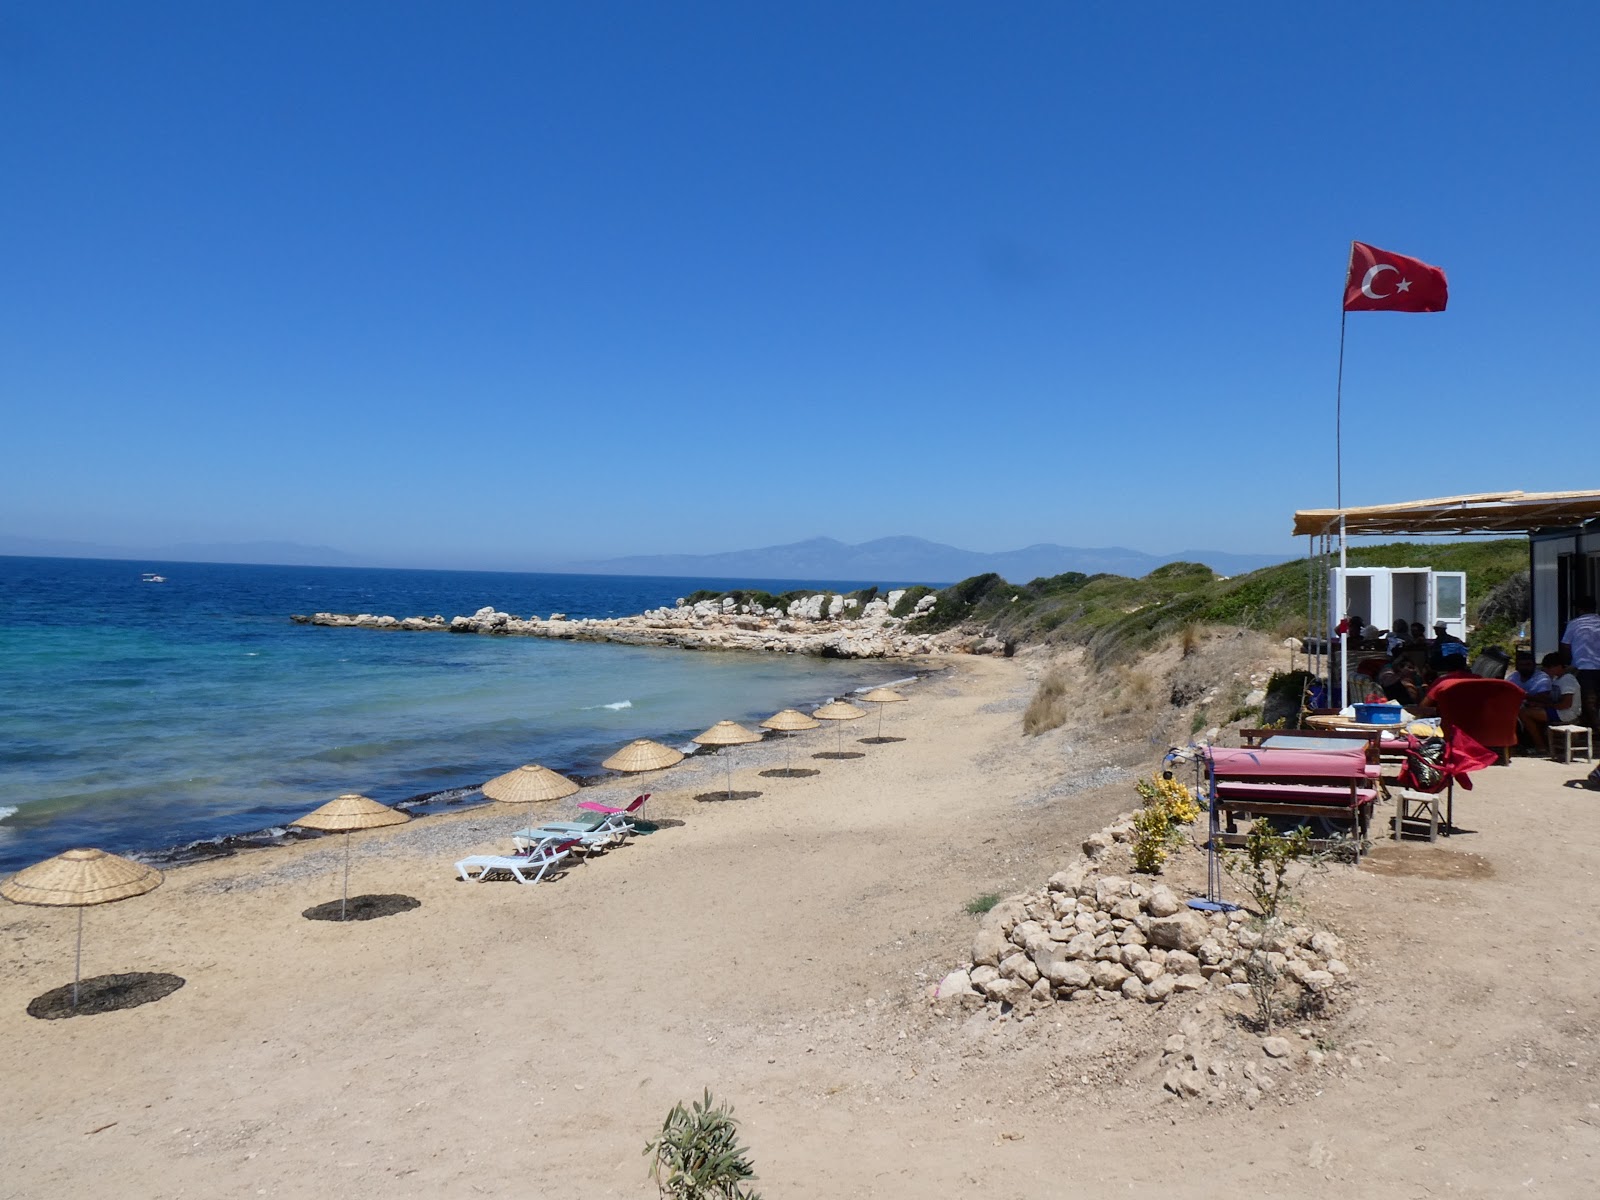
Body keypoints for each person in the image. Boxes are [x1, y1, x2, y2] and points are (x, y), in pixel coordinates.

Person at [1520, 653, 1581, 753]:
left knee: (1524, 713)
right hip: (1558, 711)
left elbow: (1566, 704)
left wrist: (1544, 706)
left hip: (1565, 713)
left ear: (1558, 666)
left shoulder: (1567, 680)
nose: (1548, 671)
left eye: (1549, 668)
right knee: (1528, 709)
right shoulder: (1557, 679)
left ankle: (1541, 746)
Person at [1560, 597, 1600, 730]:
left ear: (1579, 609)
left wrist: (1567, 663)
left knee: (1588, 699)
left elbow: (1566, 645)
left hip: (1584, 666)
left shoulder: (1575, 624)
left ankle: (1594, 726)